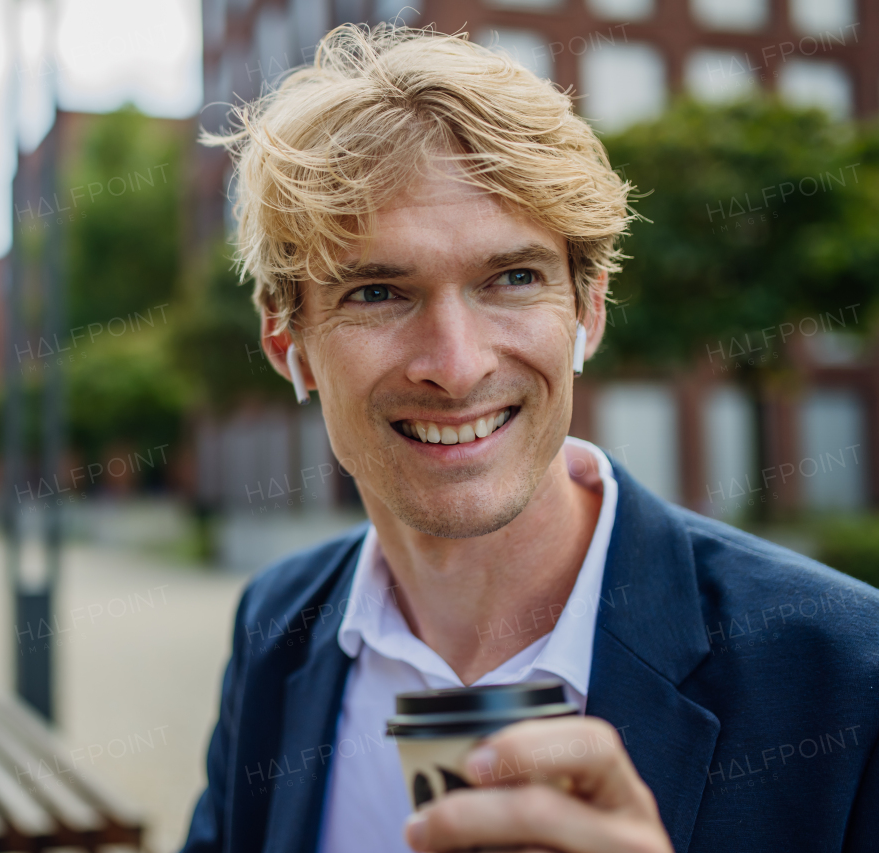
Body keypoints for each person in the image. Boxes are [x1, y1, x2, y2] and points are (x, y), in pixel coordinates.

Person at [180, 24, 879, 853]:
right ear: (287, 344)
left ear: (588, 311)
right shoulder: (275, 622)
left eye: (512, 278)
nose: (457, 365)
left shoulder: (847, 674)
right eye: (376, 291)